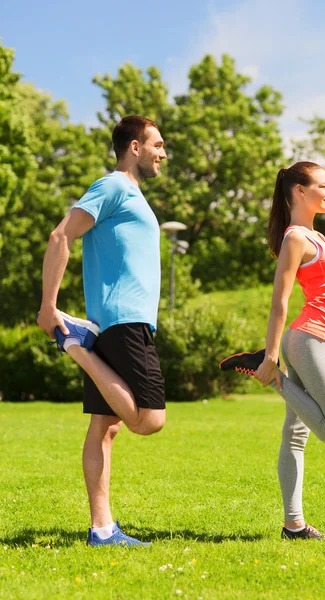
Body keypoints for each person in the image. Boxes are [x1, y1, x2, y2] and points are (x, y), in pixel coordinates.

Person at [37, 115, 167, 546]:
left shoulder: (132, 195)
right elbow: (61, 236)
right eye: (157, 144)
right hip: (121, 319)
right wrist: (48, 307)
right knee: (149, 421)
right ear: (134, 147)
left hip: (121, 319)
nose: (163, 153)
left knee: (106, 428)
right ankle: (75, 343)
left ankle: (102, 528)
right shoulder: (113, 186)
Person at [220, 161, 325, 540]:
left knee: (295, 435)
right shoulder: (296, 237)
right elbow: (280, 301)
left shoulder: (316, 237)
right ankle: (269, 373)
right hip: (309, 338)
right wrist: (272, 356)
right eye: (323, 186)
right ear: (298, 191)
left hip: (317, 338)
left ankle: (293, 525)